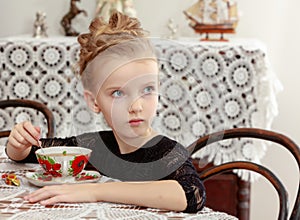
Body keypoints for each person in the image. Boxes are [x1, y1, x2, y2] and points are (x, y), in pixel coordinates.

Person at [5, 11, 206, 213]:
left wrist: (95, 191)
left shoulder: (168, 153)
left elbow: (191, 193)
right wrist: (18, 143)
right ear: (94, 102)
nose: (136, 106)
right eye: (118, 93)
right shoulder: (94, 147)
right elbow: (30, 153)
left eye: (147, 89)